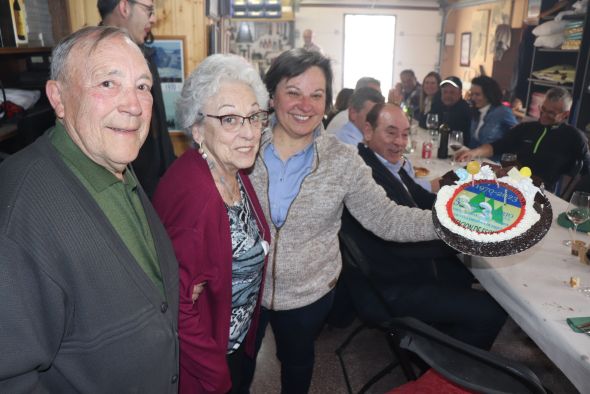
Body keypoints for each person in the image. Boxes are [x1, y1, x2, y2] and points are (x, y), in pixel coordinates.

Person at [245, 48, 439, 394]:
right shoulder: (244, 144)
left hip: (309, 292)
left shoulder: (342, 159)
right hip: (244, 289)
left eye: (316, 95)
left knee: (298, 362)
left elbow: (387, 217)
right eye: (293, 92)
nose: (305, 105)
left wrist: (449, 223)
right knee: (239, 370)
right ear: (272, 97)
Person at [0, 26, 179, 392]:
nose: (133, 105)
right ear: (58, 98)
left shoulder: (116, 162)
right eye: (108, 84)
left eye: (142, 86)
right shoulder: (19, 207)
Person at [340, 103, 506, 350]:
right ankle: (441, 371)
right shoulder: (367, 176)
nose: (400, 142)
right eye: (391, 132)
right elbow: (397, 244)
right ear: (367, 130)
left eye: (405, 134)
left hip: (399, 268)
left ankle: (442, 337)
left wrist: (471, 201)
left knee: (470, 275)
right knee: (493, 310)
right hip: (390, 285)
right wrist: (462, 238)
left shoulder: (386, 164)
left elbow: (425, 198)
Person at [152, 54, 271, 394]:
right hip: (207, 367)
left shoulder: (231, 169)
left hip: (233, 343)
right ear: (198, 128)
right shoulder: (197, 197)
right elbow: (177, 307)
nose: (249, 132)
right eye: (230, 119)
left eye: (253, 116)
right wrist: (217, 378)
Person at [98, 0, 176, 198]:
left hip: (157, 185)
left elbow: (159, 126)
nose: (153, 18)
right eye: (148, 10)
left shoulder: (145, 55)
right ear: (124, 7)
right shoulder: (89, 58)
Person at [457, 87, 590, 193]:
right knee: (464, 182)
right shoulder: (526, 128)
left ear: (565, 114)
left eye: (551, 113)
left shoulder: (574, 137)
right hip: (513, 180)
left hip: (539, 190)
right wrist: (473, 153)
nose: (543, 115)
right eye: (543, 109)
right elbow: (498, 146)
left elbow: (587, 171)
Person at [468, 75, 517, 148]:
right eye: (472, 94)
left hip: (494, 158)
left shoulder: (502, 111)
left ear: (488, 95)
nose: (473, 98)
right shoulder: (476, 111)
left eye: (477, 94)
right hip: (475, 157)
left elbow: (519, 134)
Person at [433, 76, 471, 147]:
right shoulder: (438, 104)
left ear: (460, 94)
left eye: (452, 92)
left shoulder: (464, 109)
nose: (448, 95)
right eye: (445, 92)